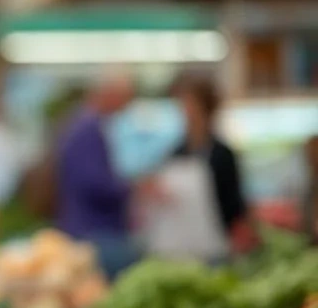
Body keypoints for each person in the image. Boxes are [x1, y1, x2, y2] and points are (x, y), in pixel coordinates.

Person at [142, 75, 251, 262]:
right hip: (178, 252)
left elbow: (234, 203)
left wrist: (241, 232)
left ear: (205, 107)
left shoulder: (222, 154)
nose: (185, 110)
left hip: (215, 248)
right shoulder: (174, 152)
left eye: (189, 103)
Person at [54, 69, 141, 276]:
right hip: (95, 232)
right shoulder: (88, 130)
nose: (125, 107)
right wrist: (132, 188)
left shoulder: (88, 126)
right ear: (110, 94)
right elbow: (94, 183)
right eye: (125, 98)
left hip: (90, 229)